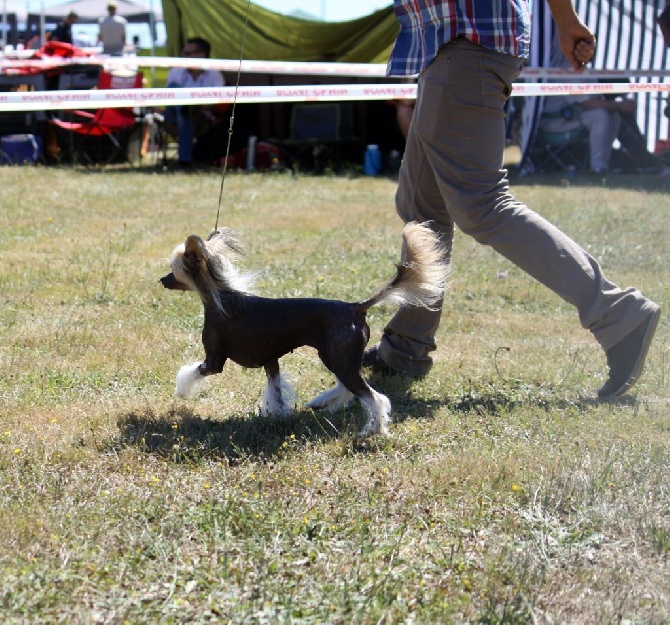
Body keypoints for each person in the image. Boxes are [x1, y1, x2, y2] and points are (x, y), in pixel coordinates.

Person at [363, 0, 660, 400]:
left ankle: (618, 313)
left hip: (466, 44)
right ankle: (405, 348)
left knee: (482, 205)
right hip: (450, 46)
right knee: (423, 209)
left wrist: (566, 19)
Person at [160, 37, 225, 168]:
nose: (184, 57)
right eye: (184, 53)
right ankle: (185, 161)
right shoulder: (177, 71)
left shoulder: (214, 74)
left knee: (186, 116)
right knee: (174, 89)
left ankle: (184, 160)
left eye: (188, 54)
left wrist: (196, 105)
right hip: (172, 114)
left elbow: (219, 101)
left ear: (202, 55)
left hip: (200, 116)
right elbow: (167, 98)